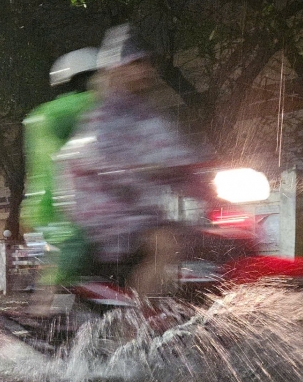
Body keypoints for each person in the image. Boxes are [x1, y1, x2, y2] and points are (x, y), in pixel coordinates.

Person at [54, 24, 209, 299]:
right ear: (117, 68)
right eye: (136, 63)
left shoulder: (149, 116)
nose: (145, 70)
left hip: (142, 211)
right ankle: (139, 324)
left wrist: (203, 177)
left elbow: (178, 154)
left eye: (147, 63)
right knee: (165, 244)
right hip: (106, 212)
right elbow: (93, 155)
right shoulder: (103, 114)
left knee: (214, 241)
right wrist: (133, 172)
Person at [20, 47, 98, 311]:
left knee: (56, 274)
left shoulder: (38, 114)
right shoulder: (76, 106)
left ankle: (51, 316)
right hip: (64, 210)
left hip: (36, 214)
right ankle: (43, 318)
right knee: (61, 272)